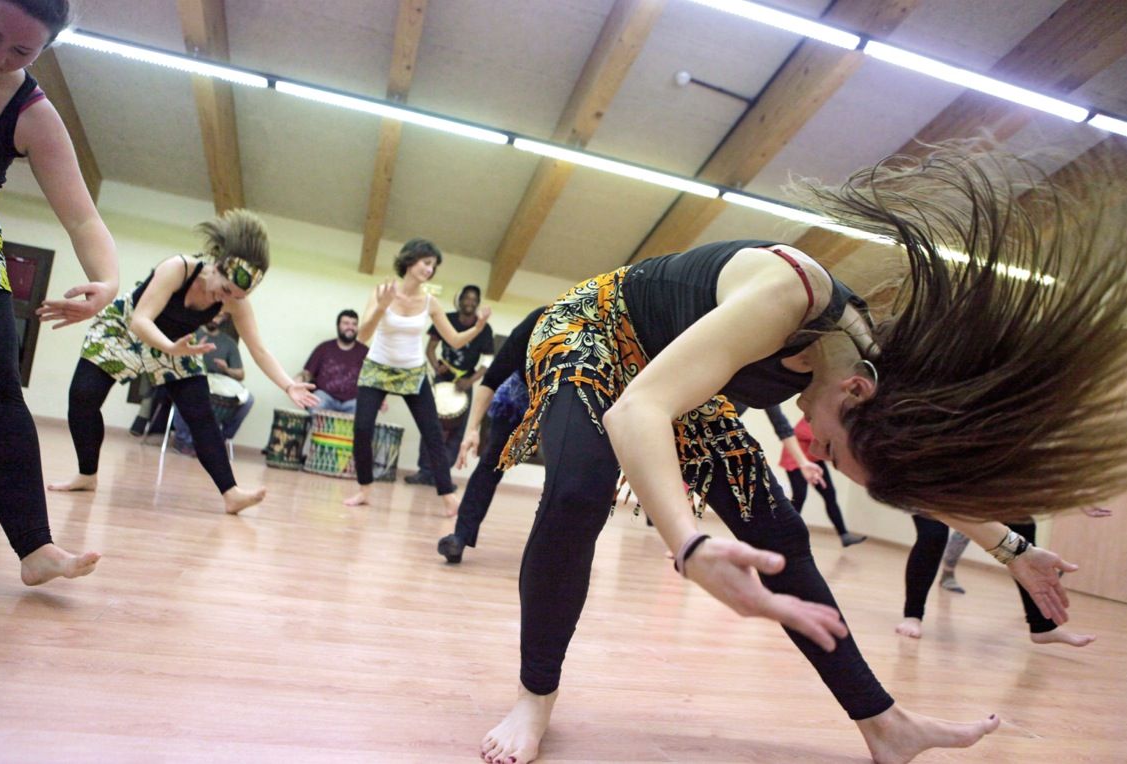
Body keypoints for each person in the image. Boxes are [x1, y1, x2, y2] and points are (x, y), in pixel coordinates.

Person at [479, 145, 1127, 764]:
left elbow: (901, 475)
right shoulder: (787, 295)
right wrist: (691, 545)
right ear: (853, 391)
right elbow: (635, 410)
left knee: (780, 532)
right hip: (596, 327)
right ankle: (535, 698)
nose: (811, 445)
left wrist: (1011, 549)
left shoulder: (873, 381)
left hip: (671, 374)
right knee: (575, 493)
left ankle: (884, 725)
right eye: (830, 447)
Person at [0, 0, 120, 585]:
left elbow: (84, 220)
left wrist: (106, 282)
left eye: (21, 51)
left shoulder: (31, 112)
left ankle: (35, 547)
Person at [49, 210, 318, 513]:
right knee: (82, 397)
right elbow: (140, 320)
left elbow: (259, 350)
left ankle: (231, 494)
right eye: (227, 289)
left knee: (200, 413)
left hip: (175, 345)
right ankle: (87, 475)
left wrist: (289, 385)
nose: (227, 298)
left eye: (237, 296)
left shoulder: (234, 299)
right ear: (217, 264)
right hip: (125, 329)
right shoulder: (178, 268)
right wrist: (170, 348)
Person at [343, 239, 490, 516]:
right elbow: (362, 336)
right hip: (377, 367)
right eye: (425, 262)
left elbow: (455, 340)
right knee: (362, 429)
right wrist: (381, 307)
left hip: (413, 372)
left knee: (433, 433)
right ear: (410, 261)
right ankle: (364, 489)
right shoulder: (381, 292)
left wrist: (479, 327)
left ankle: (448, 497)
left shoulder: (430, 303)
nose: (429, 269)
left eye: (433, 266)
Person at [896, 512, 1107, 647]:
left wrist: (1075, 494)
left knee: (1020, 521)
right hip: (922, 473)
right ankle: (913, 615)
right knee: (933, 534)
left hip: (963, 479)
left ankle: (1042, 626)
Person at [437, 306, 545, 563]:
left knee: (563, 478)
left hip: (562, 405)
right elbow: (492, 377)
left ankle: (552, 551)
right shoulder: (535, 323)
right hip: (516, 400)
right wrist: (472, 429)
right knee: (490, 465)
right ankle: (460, 538)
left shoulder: (595, 340)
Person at [406, 284, 493, 486]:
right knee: (430, 424)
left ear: (477, 304)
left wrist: (470, 381)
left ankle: (442, 476)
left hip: (464, 382)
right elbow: (430, 348)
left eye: (474, 299)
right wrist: (437, 367)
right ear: (459, 299)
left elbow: (488, 360)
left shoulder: (485, 329)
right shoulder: (447, 319)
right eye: (467, 298)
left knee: (457, 430)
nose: (470, 302)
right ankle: (424, 471)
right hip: (443, 380)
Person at [775, 411, 866, 546]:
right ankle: (785, 534)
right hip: (795, 459)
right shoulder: (816, 416)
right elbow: (801, 432)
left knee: (830, 495)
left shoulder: (833, 420)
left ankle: (844, 535)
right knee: (800, 496)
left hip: (814, 460)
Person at [171, 311, 253, 457]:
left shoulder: (229, 343)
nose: (215, 319)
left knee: (248, 400)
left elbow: (240, 374)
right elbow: (172, 359)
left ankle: (219, 440)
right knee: (183, 387)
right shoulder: (191, 334)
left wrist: (226, 369)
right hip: (192, 377)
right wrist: (192, 354)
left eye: (220, 316)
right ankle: (183, 440)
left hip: (217, 382)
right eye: (215, 314)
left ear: (225, 318)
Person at [297, 309, 368, 414]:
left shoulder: (365, 352)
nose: (350, 327)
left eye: (354, 324)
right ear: (338, 326)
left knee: (363, 411)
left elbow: (374, 379)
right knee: (316, 401)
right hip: (325, 397)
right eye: (346, 323)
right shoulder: (324, 348)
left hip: (353, 401)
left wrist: (380, 398)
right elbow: (307, 374)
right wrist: (295, 384)